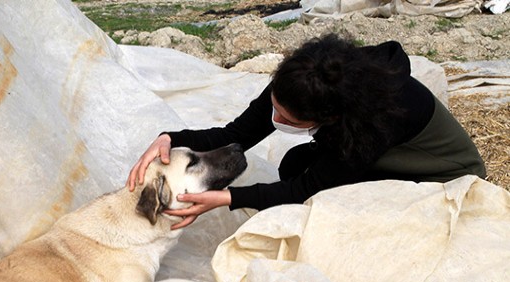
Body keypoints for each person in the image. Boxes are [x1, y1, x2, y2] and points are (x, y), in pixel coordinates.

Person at [127, 34, 486, 230]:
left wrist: (230, 199)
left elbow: (306, 190)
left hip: (439, 176)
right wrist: (172, 138)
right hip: (377, 152)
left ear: (328, 117)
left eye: (287, 117)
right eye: (274, 104)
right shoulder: (307, 80)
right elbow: (235, 132)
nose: (274, 116)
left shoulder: (376, 119)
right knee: (296, 161)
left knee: (332, 206)